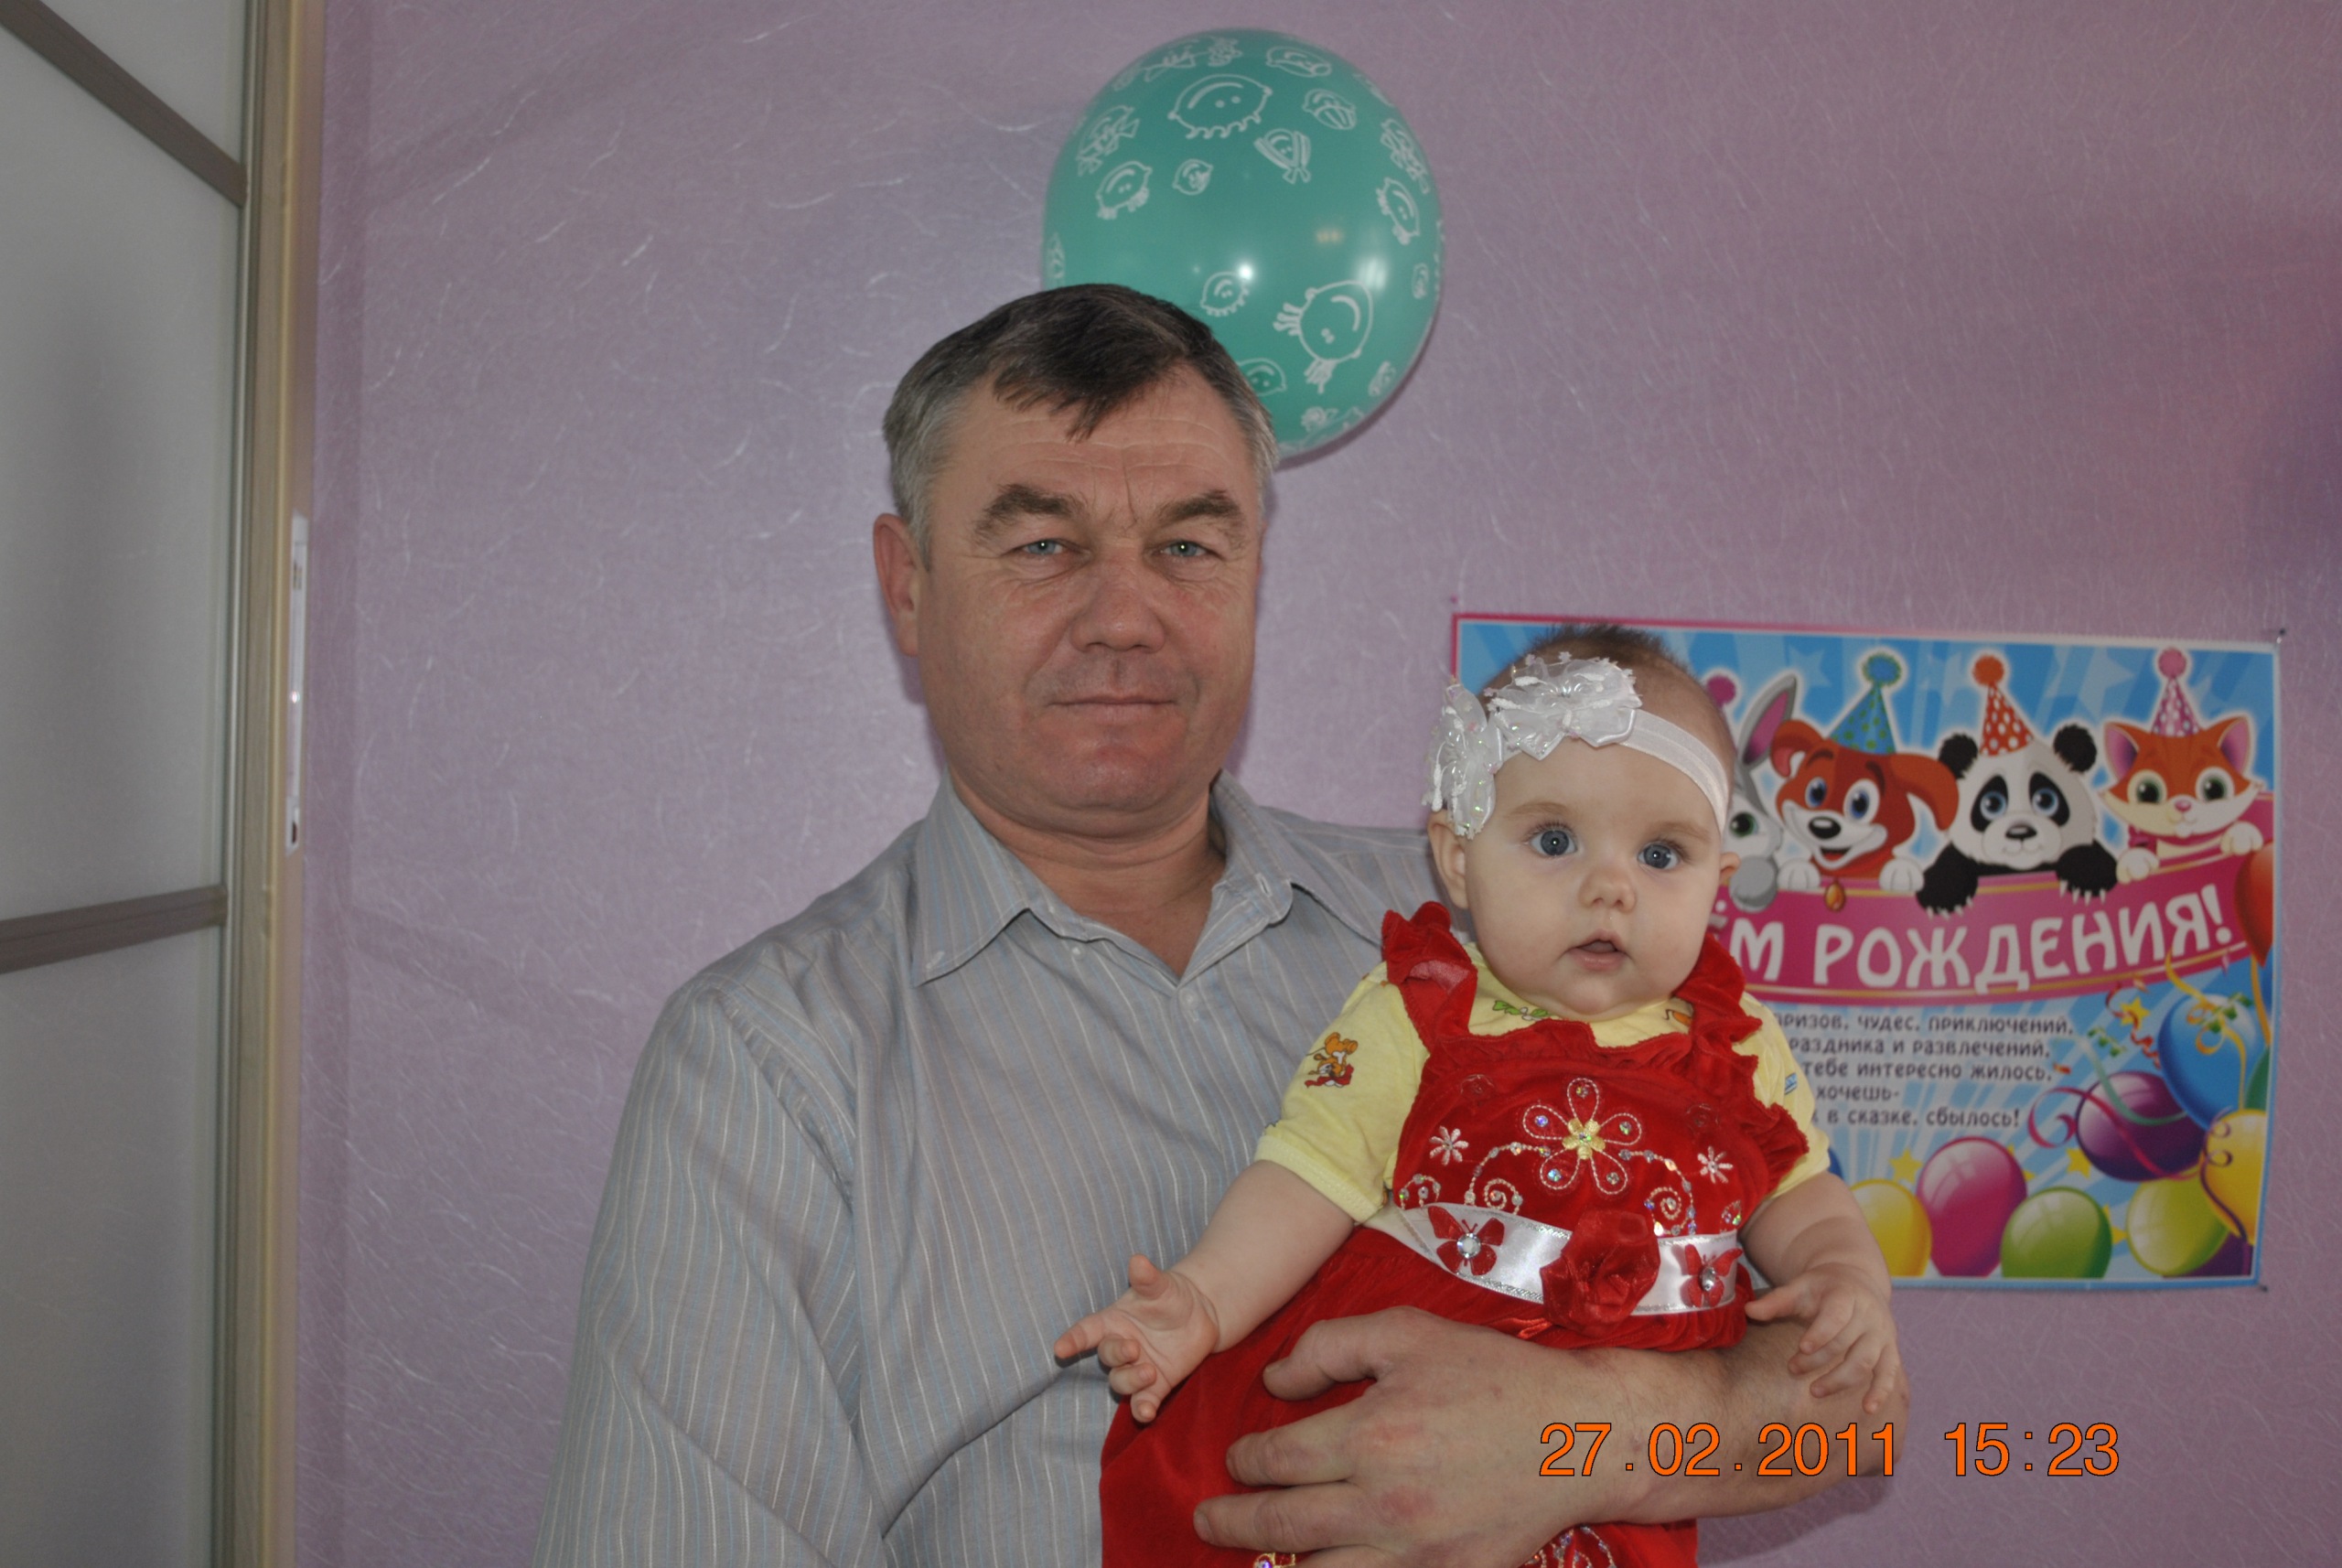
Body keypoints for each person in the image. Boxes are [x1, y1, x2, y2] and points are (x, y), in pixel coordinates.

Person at [534, 285, 1906, 1568]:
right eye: (1043, 544)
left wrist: (1586, 1438)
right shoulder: (768, 1064)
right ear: (908, 581)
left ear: (1255, 569)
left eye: (1188, 545)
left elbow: (1849, 1420)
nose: (1124, 616)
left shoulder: (1503, 934)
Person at [1058, 633, 1900, 1567]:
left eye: (1662, 853)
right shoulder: (1424, 1010)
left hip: (1628, 1465)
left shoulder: (1733, 1042)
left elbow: (1800, 1192)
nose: (1610, 888)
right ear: (1458, 857)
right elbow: (1308, 1173)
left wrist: (1846, 1279)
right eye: (1554, 841)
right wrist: (1205, 1298)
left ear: (1719, 884)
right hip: (1407, 1408)